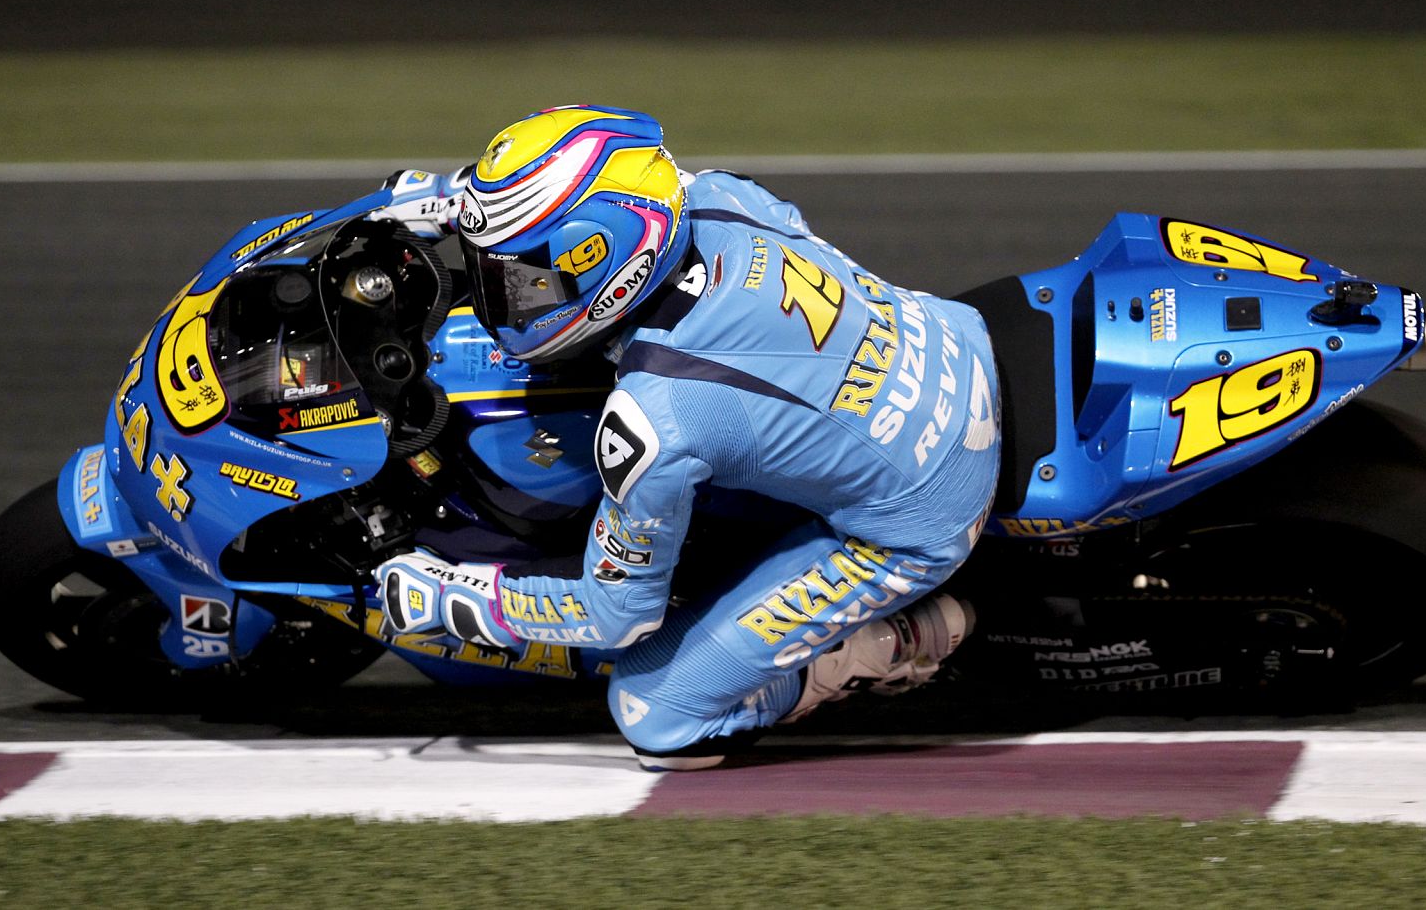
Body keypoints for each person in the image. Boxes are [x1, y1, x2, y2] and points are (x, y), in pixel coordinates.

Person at [374, 106, 1001, 769]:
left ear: (602, 264)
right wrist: (452, 201)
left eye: (522, 280)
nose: (504, 297)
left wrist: (458, 599)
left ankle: (887, 641)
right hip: (957, 342)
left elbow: (615, 613)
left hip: (928, 508)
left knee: (656, 710)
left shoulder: (656, 415)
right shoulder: (720, 196)